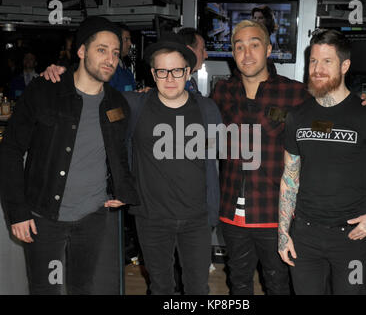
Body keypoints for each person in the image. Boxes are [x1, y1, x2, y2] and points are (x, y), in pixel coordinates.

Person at [211, 20, 366, 295]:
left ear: (268, 49)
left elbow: (328, 120)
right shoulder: (221, 93)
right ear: (232, 52)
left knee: (279, 285)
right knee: (238, 283)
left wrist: (362, 103)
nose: (247, 53)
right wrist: (148, 96)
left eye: (254, 44)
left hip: (275, 216)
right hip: (232, 214)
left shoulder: (296, 94)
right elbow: (192, 115)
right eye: (239, 46)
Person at [0, 16, 139, 294]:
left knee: (82, 287)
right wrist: (17, 213)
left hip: (92, 217)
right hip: (44, 218)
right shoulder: (45, 89)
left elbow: (117, 152)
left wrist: (120, 189)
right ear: (81, 51)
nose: (110, 59)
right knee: (46, 289)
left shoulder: (117, 102)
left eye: (115, 52)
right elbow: (11, 150)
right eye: (102, 50)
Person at [278, 29, 366, 295]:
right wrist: (283, 231)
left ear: (345, 65)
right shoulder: (296, 116)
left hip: (351, 239)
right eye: (313, 61)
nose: (317, 69)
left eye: (327, 61)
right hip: (305, 237)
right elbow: (290, 177)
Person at [122, 32, 221, 295]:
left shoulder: (208, 109)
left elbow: (212, 162)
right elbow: (92, 95)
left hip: (197, 219)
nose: (169, 78)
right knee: (161, 287)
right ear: (153, 74)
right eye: (162, 72)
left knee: (198, 288)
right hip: (151, 218)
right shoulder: (134, 105)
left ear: (188, 72)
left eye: (176, 71)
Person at [178, 27, 209, 94]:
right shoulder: (177, 86)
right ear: (189, 51)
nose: (206, 55)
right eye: (202, 50)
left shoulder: (191, 82)